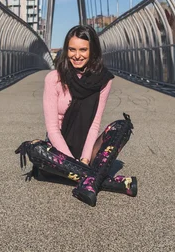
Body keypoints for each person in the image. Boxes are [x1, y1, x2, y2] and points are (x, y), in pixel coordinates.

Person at [16, 25, 137, 207]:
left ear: (92, 51)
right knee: (34, 149)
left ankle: (84, 177)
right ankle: (105, 181)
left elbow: (94, 124)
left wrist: (85, 159)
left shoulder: (103, 80)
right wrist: (71, 162)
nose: (77, 55)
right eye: (72, 49)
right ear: (66, 50)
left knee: (122, 127)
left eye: (83, 50)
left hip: (86, 152)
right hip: (58, 151)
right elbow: (52, 129)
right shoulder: (54, 78)